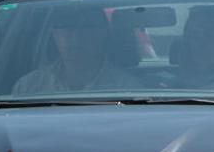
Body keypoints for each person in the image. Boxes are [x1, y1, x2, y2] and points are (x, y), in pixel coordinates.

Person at [12, 8, 140, 96]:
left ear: (104, 33)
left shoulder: (127, 88)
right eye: (66, 28)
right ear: (54, 34)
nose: (75, 38)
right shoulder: (28, 87)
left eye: (86, 28)